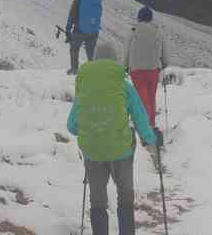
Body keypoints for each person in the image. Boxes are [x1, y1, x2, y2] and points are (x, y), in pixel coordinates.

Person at [67, 43, 159, 235]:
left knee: (97, 200)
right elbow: (140, 117)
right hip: (120, 151)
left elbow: (72, 125)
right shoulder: (123, 86)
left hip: (93, 151)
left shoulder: (84, 86)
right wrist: (150, 139)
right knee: (125, 196)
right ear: (114, 62)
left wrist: (91, 129)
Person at [124, 6, 169, 131]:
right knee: (151, 95)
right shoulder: (158, 32)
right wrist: (165, 62)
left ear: (139, 18)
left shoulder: (133, 31)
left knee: (141, 96)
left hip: (136, 69)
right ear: (151, 18)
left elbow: (126, 50)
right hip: (153, 69)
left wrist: (124, 66)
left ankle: (145, 124)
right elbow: (164, 50)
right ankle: (151, 123)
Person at [65, 0, 103, 75]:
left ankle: (74, 69)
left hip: (80, 30)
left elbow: (72, 15)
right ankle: (94, 70)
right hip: (94, 31)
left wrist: (68, 29)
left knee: (74, 49)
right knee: (91, 51)